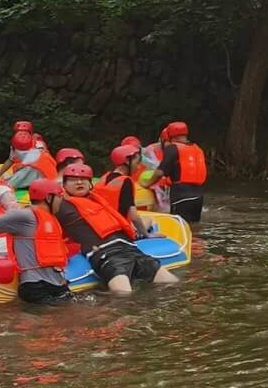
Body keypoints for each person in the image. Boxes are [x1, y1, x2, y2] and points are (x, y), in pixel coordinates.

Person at [51, 161, 178, 296]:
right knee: (123, 296)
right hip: (106, 255)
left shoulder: (98, 200)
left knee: (173, 284)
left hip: (131, 250)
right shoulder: (59, 206)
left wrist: (145, 233)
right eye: (73, 180)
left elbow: (129, 220)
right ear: (64, 185)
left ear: (90, 183)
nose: (79, 183)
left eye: (83, 179)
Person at [0, 176, 71, 304]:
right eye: (60, 196)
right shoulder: (24, 216)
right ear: (49, 198)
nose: (62, 200)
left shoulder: (51, 220)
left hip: (56, 284)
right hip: (35, 286)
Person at [154, 121, 207, 223]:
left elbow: (159, 173)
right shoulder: (197, 148)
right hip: (198, 197)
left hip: (181, 197)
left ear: (170, 136)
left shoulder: (172, 148)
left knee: (179, 226)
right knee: (193, 228)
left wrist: (146, 183)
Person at [97, 144, 142, 219]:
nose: (139, 167)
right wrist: (143, 231)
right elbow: (133, 217)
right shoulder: (126, 181)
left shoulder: (104, 178)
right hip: (119, 226)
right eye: (137, 163)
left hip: (103, 222)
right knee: (149, 221)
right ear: (127, 161)